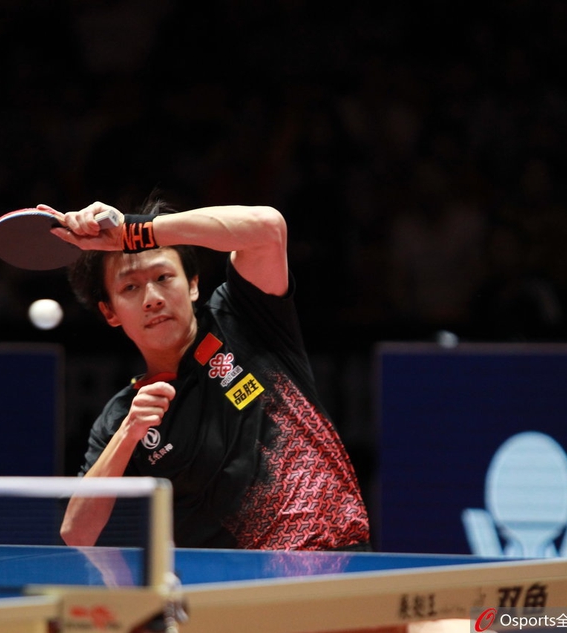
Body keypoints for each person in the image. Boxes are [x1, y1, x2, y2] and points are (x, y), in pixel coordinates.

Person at [51, 197, 370, 551]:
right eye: (130, 287)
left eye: (163, 277)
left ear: (193, 285)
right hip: (226, 584)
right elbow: (76, 533)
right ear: (110, 312)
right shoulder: (122, 417)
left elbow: (267, 227)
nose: (152, 298)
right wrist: (129, 432)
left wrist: (134, 232)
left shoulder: (244, 318)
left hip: (336, 565)